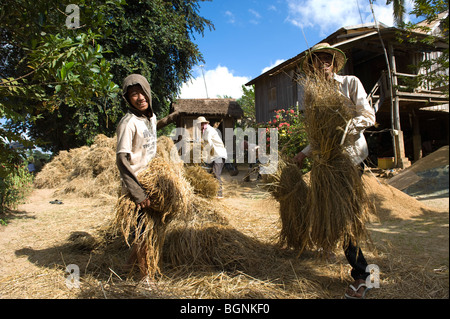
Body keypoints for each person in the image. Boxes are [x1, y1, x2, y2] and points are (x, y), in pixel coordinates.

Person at [293, 43, 376, 299]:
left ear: (334, 63)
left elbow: (368, 115)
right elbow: (318, 135)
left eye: (327, 58)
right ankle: (332, 249)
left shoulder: (350, 82)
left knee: (347, 217)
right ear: (312, 66)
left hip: (351, 159)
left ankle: (362, 275)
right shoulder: (313, 95)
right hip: (326, 164)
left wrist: (346, 128)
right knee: (329, 212)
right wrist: (304, 153)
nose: (323, 62)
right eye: (317, 59)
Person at [116, 74, 157, 277]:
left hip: (151, 184)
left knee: (149, 232)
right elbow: (121, 160)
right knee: (142, 234)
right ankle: (145, 278)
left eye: (142, 92)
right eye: (133, 94)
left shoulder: (150, 117)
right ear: (127, 99)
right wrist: (138, 193)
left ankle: (127, 269)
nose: (140, 97)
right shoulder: (128, 123)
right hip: (137, 188)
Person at [197, 116, 227, 199]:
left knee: (215, 173)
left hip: (219, 154)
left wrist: (203, 153)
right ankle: (211, 191)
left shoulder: (209, 130)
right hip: (214, 155)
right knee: (209, 173)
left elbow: (209, 143)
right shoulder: (205, 131)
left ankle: (219, 194)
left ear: (202, 124)